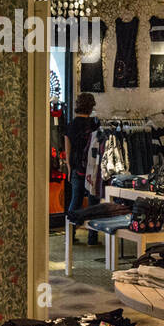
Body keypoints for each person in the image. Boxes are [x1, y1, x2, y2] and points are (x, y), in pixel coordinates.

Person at [64, 93, 100, 246]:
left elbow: (68, 150)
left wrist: (69, 167)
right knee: (93, 203)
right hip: (92, 169)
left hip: (76, 168)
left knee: (75, 200)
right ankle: (92, 238)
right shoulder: (93, 125)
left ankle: (70, 235)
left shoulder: (70, 125)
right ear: (91, 107)